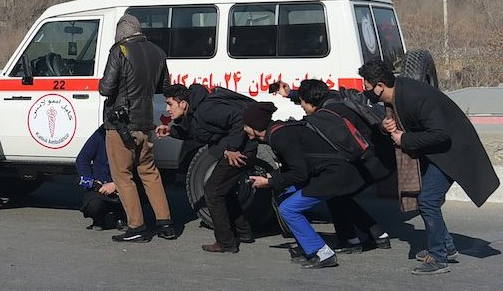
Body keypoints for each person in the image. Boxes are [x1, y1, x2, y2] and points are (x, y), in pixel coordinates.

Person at [359, 59, 500, 275]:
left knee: (427, 200)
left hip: (451, 153)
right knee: (427, 200)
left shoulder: (415, 96)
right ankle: (447, 247)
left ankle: (438, 257)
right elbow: (399, 125)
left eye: (367, 86)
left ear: (379, 86)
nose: (364, 90)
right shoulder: (396, 95)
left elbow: (441, 134)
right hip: (436, 153)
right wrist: (384, 127)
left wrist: (404, 139)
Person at [247, 98, 370, 269]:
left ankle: (322, 253)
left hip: (334, 176)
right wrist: (273, 175)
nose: (243, 129)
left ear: (254, 126)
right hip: (327, 173)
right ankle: (308, 249)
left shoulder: (279, 137)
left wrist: (270, 181)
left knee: (288, 208)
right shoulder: (279, 131)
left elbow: (299, 172)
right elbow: (297, 164)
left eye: (245, 125)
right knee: (284, 198)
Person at [289, 79, 392, 253]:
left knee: (335, 190)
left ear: (311, 101)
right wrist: (290, 94)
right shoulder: (337, 101)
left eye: (302, 103)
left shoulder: (327, 116)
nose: (302, 107)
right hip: (379, 158)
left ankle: (350, 241)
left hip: (369, 162)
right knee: (341, 194)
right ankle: (378, 235)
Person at [155, 83, 258, 253]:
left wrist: (232, 148)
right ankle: (243, 232)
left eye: (170, 104)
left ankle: (226, 243)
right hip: (233, 150)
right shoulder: (194, 113)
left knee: (212, 192)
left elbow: (239, 118)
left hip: (241, 151)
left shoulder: (206, 109)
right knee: (225, 189)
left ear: (183, 103)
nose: (167, 109)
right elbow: (195, 134)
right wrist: (171, 131)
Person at [99, 14, 176, 243]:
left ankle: (137, 227)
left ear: (122, 32)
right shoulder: (157, 52)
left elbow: (106, 88)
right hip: (145, 124)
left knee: (123, 176)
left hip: (120, 125)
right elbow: (164, 86)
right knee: (150, 173)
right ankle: (165, 223)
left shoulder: (119, 51)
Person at [75, 125, 125, 230]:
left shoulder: (131, 136)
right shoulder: (100, 134)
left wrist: (116, 184)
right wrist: (92, 181)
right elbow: (82, 159)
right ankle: (98, 219)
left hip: (124, 186)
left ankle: (123, 218)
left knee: (134, 196)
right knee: (94, 205)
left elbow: (139, 167)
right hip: (101, 186)